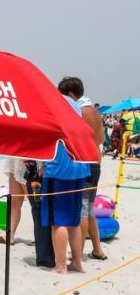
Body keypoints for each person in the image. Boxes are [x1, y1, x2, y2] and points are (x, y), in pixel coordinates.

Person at [58, 77, 107, 261]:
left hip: (85, 161)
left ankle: (78, 254)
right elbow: (101, 139)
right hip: (97, 160)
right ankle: (97, 249)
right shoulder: (95, 110)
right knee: (90, 207)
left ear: (70, 94)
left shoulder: (79, 110)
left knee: (83, 209)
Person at [41, 92, 91, 274]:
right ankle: (77, 262)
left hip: (59, 171)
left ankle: (61, 265)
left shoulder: (54, 111)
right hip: (79, 168)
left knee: (58, 221)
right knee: (73, 220)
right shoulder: (77, 113)